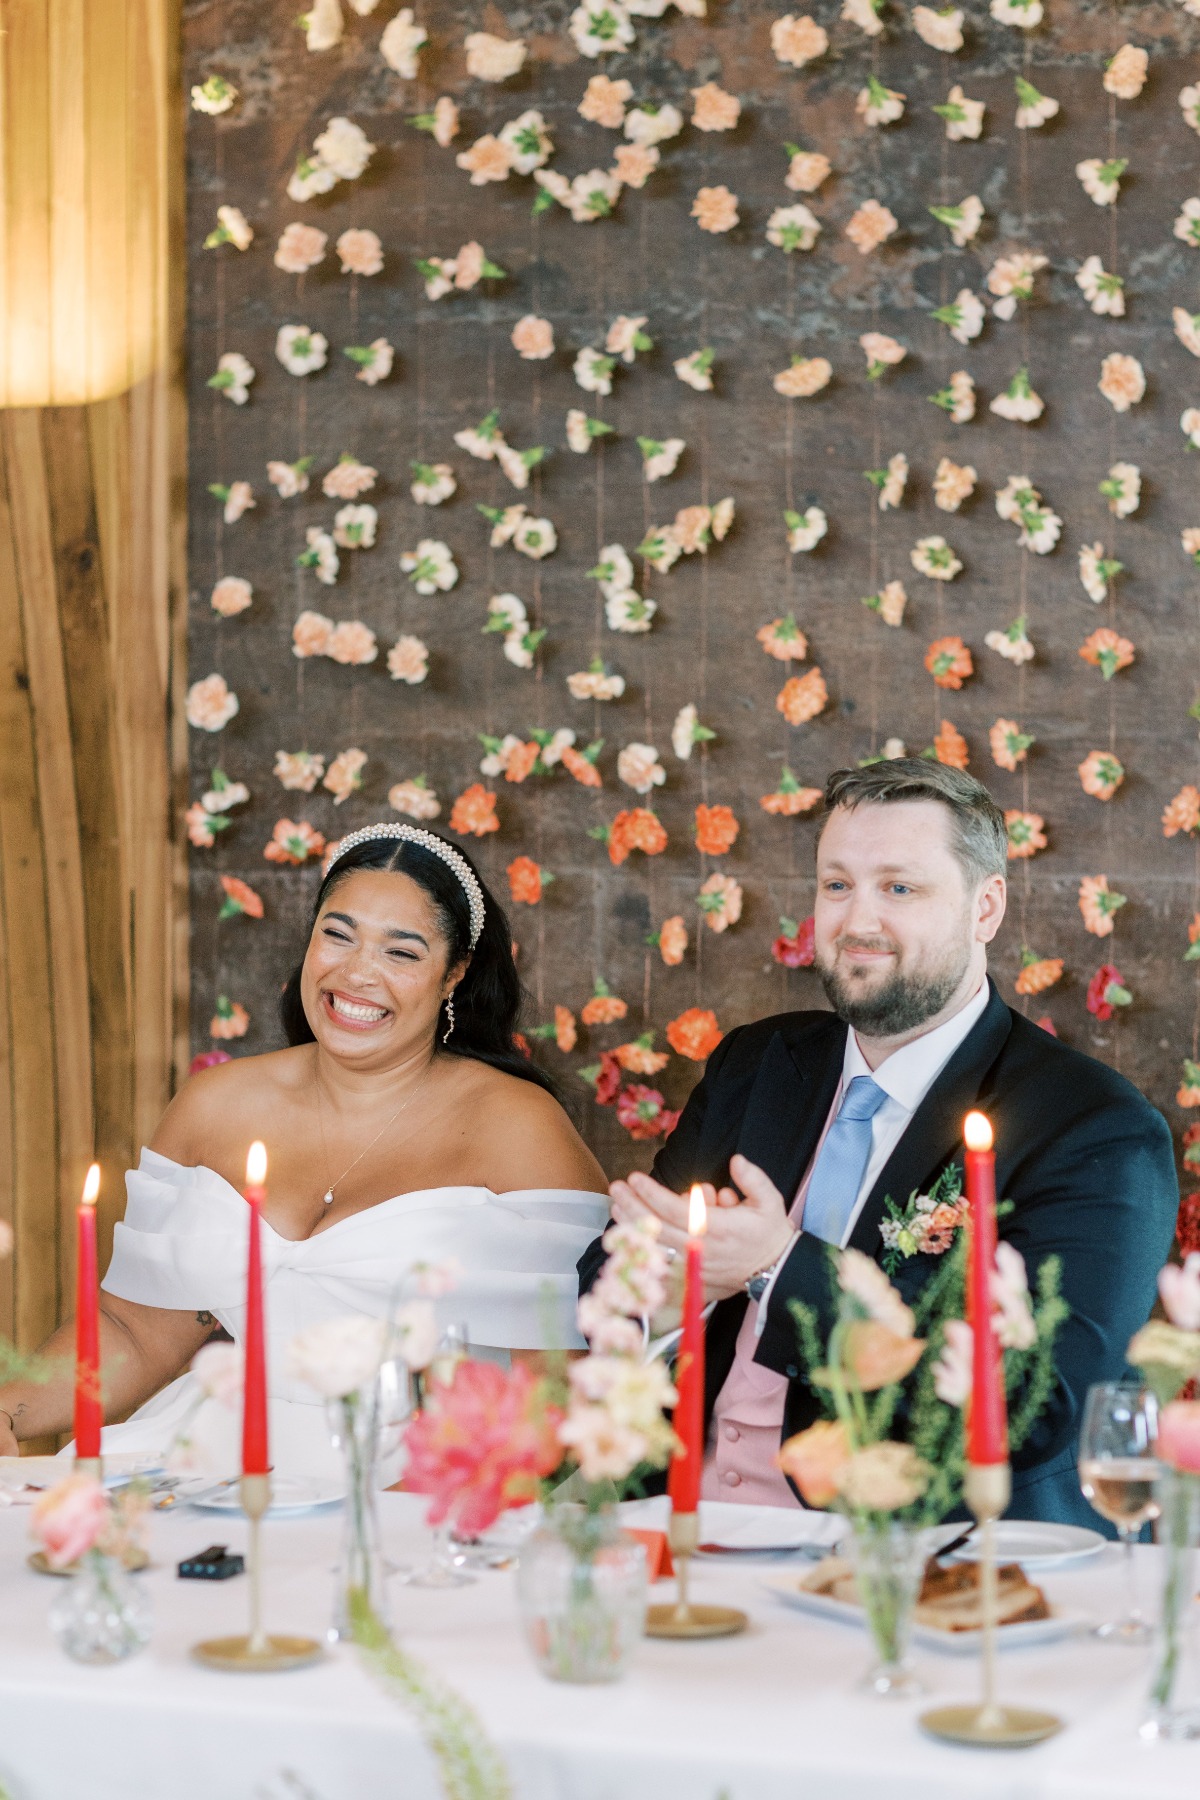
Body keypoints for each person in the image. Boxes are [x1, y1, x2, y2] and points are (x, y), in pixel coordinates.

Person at [580, 760, 1178, 1527]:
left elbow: (1036, 1407)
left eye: (899, 887)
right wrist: (661, 1297)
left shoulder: (1093, 1127)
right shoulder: (759, 1063)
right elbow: (604, 1278)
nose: (857, 922)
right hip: (681, 1528)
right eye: (837, 886)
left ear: (985, 907)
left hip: (932, 1563)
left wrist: (775, 1268)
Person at [0, 825, 608, 1479]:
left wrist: (421, 1512)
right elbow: (134, 1332)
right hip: (205, 1462)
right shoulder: (215, 1104)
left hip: (414, 1482)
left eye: (401, 953)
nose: (355, 974)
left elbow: (559, 1392)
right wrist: (10, 1412)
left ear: (454, 973)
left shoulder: (519, 1128)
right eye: (337, 934)